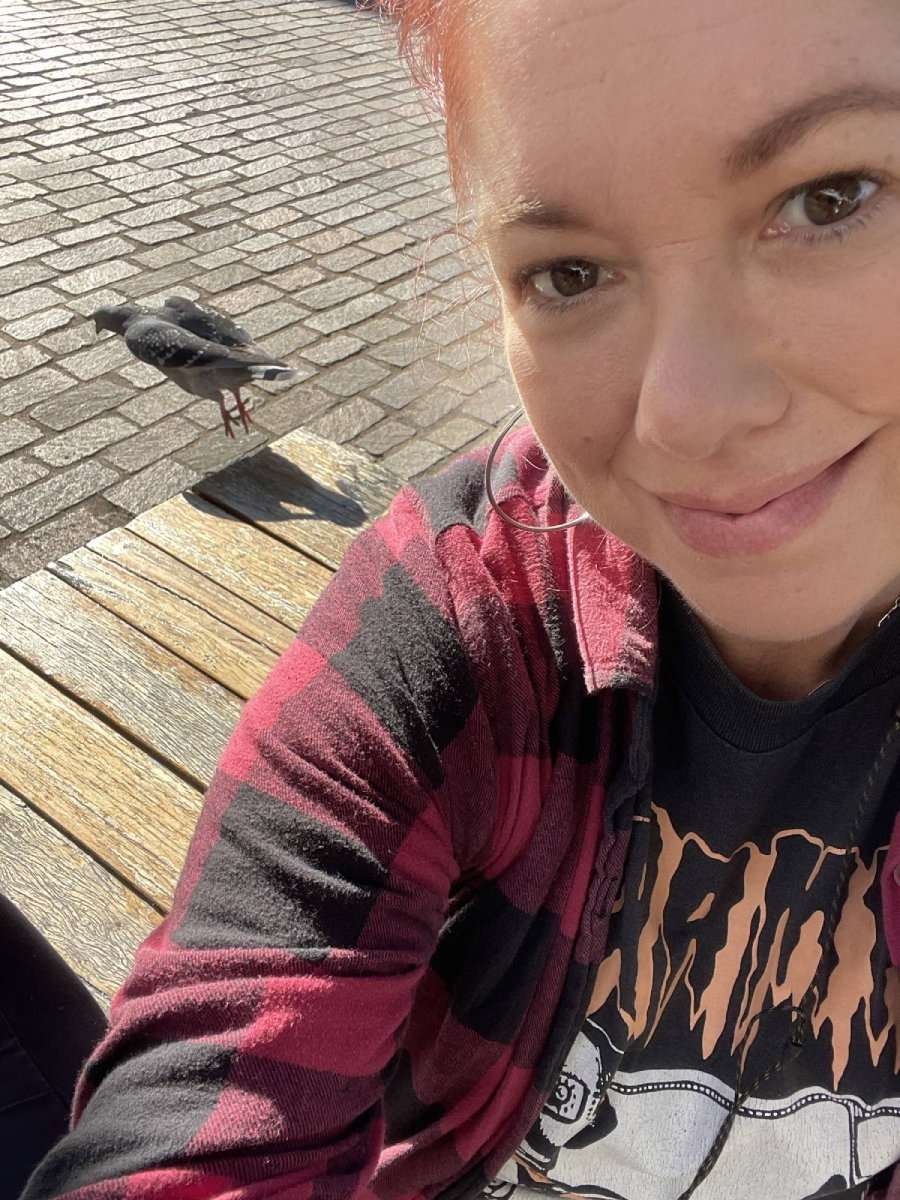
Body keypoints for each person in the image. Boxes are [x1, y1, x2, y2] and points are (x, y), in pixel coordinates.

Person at [19, 0, 900, 1196]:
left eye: (832, 196)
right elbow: (210, 1077)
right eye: (569, 273)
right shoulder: (463, 610)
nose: (683, 414)